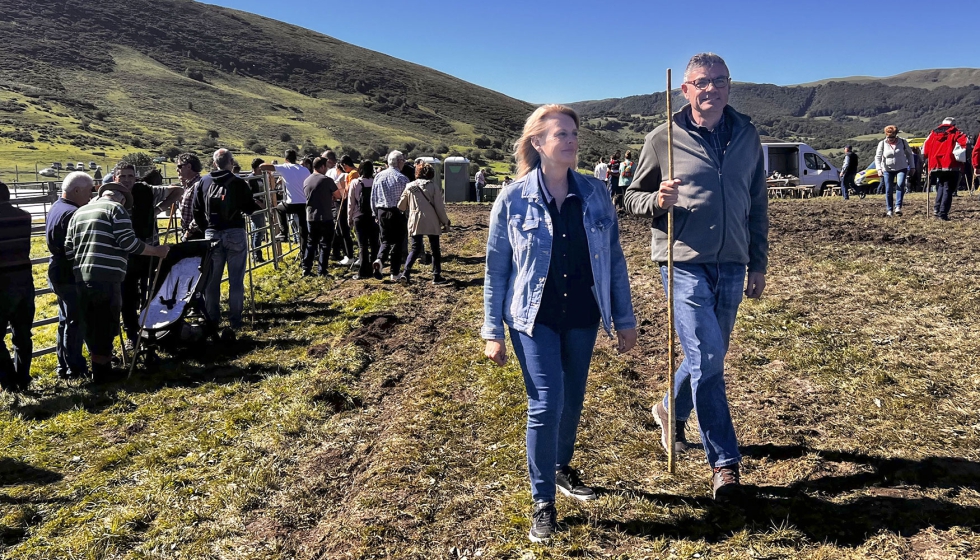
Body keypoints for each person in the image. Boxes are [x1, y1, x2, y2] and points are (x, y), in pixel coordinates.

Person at [482, 104, 637, 543]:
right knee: (546, 402)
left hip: (584, 315)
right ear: (537, 143)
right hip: (534, 318)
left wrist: (625, 320)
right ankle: (543, 501)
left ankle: (561, 466)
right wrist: (492, 331)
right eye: (560, 134)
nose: (570, 141)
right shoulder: (512, 198)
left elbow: (615, 261)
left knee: (571, 401)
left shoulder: (595, 192)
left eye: (573, 133)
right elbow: (496, 270)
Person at [624, 52, 769, 502]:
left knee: (711, 355)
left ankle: (670, 408)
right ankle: (724, 464)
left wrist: (758, 262)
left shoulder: (747, 135)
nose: (710, 89)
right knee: (708, 358)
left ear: (729, 86)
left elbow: (758, 204)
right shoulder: (662, 137)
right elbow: (629, 196)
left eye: (718, 81)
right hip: (682, 260)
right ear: (684, 89)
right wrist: (657, 203)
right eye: (700, 83)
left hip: (732, 261)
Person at [64, 183, 170, 382]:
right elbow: (128, 242)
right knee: (106, 321)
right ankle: (104, 373)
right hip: (107, 276)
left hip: (82, 276)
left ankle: (98, 369)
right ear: (121, 199)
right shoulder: (116, 210)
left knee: (92, 323)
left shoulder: (79, 213)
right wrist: (157, 251)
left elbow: (69, 249)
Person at [113, 162, 183, 349]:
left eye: (130, 176)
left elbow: (177, 190)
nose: (127, 180)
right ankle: (132, 334)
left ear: (136, 177)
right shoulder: (112, 196)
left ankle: (154, 329)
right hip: (125, 255)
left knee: (152, 290)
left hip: (150, 249)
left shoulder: (146, 190)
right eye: (122, 176)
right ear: (115, 178)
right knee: (127, 296)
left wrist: (158, 209)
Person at [194, 149, 263, 337]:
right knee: (236, 280)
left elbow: (196, 209)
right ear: (231, 162)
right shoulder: (239, 183)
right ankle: (235, 319)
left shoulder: (203, 181)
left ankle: (213, 318)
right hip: (235, 233)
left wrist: (206, 228)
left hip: (212, 234)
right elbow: (249, 209)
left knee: (212, 280)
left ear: (215, 162)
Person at [45, 172, 94, 381]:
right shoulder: (73, 213)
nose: (91, 196)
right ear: (76, 191)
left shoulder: (58, 206)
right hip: (68, 273)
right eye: (89, 191)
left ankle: (63, 366)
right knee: (76, 321)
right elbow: (74, 248)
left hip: (57, 270)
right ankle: (75, 368)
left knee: (66, 319)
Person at [0, 181, 35, 392]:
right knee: (22, 333)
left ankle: (9, 381)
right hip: (23, 279)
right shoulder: (24, 215)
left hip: (1, 283)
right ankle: (23, 377)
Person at [397, 161, 451, 284]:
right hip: (431, 220)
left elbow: (401, 206)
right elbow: (439, 207)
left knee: (415, 248)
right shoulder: (433, 187)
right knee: (435, 249)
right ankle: (436, 275)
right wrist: (445, 222)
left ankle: (406, 272)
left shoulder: (410, 186)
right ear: (431, 174)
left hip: (415, 220)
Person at [260, 150, 311, 251]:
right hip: (304, 203)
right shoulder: (305, 170)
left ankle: (284, 233)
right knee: (303, 230)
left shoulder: (285, 167)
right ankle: (304, 254)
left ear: (286, 159)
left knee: (279, 209)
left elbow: (262, 166)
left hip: (292, 203)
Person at [371, 150, 410, 280]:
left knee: (385, 240)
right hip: (397, 212)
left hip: (382, 211)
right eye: (403, 161)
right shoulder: (403, 179)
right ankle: (394, 272)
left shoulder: (378, 176)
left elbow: (374, 197)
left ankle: (380, 260)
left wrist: (375, 213)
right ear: (399, 162)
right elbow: (407, 200)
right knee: (398, 242)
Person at [924, 117, 968, 220]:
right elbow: (964, 145)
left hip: (935, 164)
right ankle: (943, 213)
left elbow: (925, 150)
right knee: (948, 188)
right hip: (950, 164)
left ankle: (937, 208)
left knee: (941, 185)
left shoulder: (933, 134)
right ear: (953, 124)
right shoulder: (956, 133)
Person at [302, 157, 340, 277]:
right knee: (325, 244)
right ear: (322, 166)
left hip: (311, 216)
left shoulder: (306, 180)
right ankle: (322, 270)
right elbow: (338, 195)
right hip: (325, 216)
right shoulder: (326, 180)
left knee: (311, 243)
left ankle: (306, 268)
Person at [348, 161, 381, 280]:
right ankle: (376, 268)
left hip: (359, 216)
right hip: (373, 216)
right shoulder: (376, 182)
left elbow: (351, 202)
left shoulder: (355, 182)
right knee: (374, 244)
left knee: (362, 245)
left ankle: (363, 271)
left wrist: (349, 218)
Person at [875, 126, 914, 217]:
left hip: (901, 167)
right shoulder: (882, 144)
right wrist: (879, 169)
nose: (890, 139)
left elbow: (910, 155)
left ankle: (898, 207)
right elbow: (878, 157)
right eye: (889, 137)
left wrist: (912, 167)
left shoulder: (903, 142)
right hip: (887, 169)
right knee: (888, 189)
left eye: (892, 137)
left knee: (900, 184)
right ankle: (889, 209)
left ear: (896, 135)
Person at [176, 153, 206, 241]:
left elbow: (201, 212)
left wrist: (189, 232)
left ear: (189, 166)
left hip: (196, 234)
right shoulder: (189, 185)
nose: (177, 170)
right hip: (190, 232)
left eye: (179, 166)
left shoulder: (198, 185)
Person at [248, 158, 268, 262]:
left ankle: (256, 254)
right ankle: (257, 255)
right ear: (256, 168)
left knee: (260, 231)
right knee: (258, 231)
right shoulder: (251, 178)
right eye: (261, 168)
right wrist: (260, 203)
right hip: (256, 208)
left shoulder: (260, 177)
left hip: (262, 206)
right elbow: (251, 195)